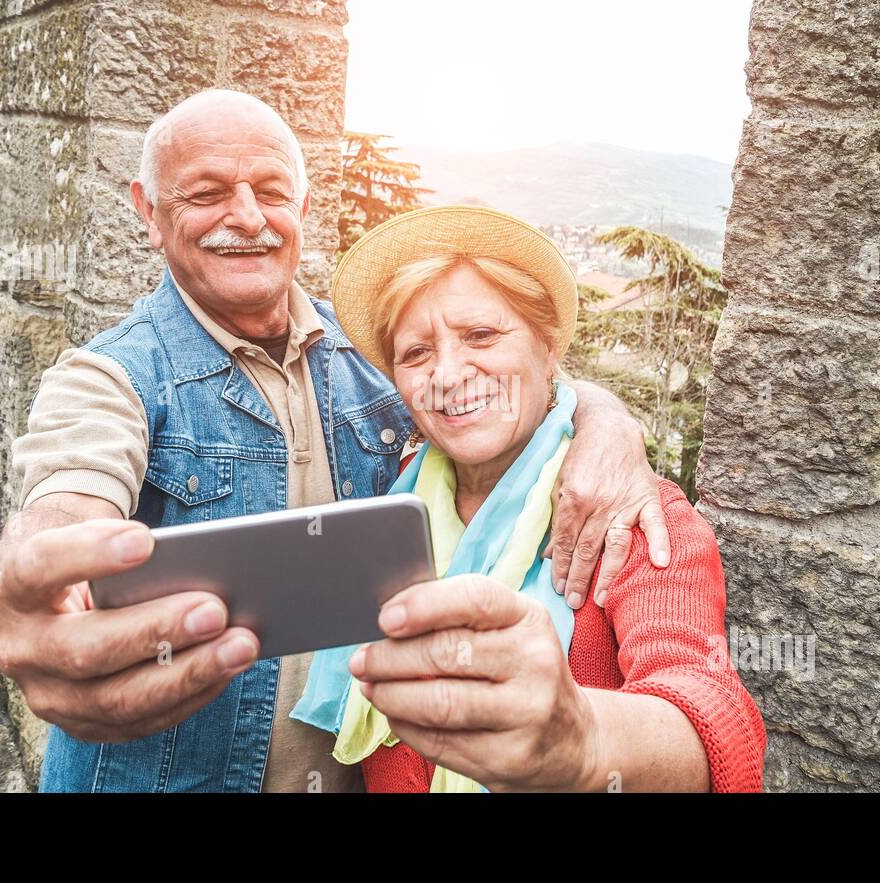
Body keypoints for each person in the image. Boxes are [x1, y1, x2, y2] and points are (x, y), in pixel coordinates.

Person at [0, 90, 679, 792]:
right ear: (148, 212)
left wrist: (604, 416)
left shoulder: (376, 357)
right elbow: (70, 491)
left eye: (273, 191)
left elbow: (498, 385)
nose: (248, 216)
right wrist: (49, 577)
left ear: (305, 210)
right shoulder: (109, 377)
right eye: (207, 192)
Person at [292, 205, 766, 791]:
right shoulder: (388, 504)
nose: (447, 373)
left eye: (481, 335)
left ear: (548, 348)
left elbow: (717, 717)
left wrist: (584, 741)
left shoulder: (629, 515)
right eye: (416, 354)